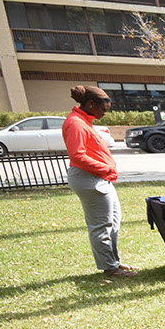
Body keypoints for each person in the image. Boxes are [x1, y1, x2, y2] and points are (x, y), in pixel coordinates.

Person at [62, 85, 136, 278]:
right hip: (89, 179)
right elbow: (77, 156)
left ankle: (114, 261)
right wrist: (106, 169)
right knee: (101, 225)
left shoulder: (84, 120)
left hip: (99, 178)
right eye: (103, 109)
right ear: (91, 103)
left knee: (113, 221)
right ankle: (109, 268)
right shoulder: (76, 123)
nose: (104, 113)